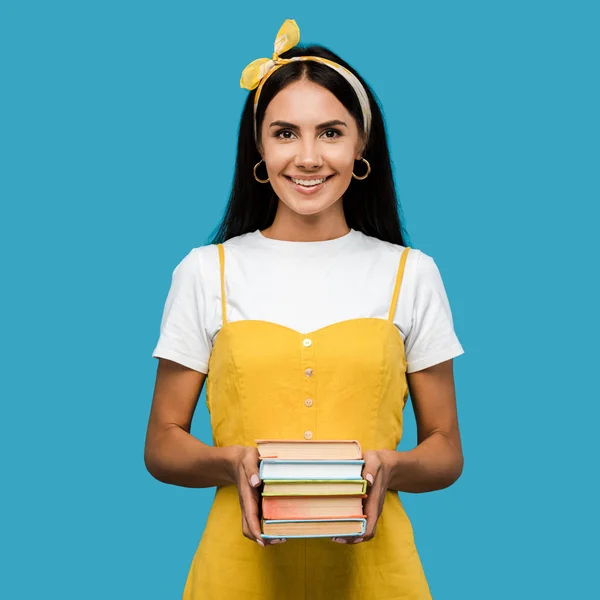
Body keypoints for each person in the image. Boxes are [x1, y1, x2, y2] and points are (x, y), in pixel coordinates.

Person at [145, 19, 465, 600]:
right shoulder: (205, 271)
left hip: (377, 578)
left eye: (332, 132)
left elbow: (445, 448)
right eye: (286, 133)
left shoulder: (411, 273)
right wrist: (231, 462)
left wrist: (390, 468)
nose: (309, 157)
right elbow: (162, 443)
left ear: (360, 145)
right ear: (259, 148)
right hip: (235, 576)